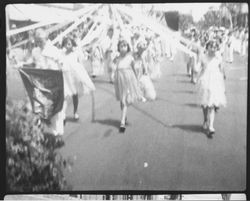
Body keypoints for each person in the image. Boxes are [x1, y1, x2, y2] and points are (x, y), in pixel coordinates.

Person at [61, 37, 96, 121]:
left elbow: (80, 65)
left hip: (74, 77)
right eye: (65, 43)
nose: (67, 45)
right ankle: (63, 114)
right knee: (65, 95)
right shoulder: (62, 54)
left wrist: (82, 77)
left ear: (72, 44)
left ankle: (75, 112)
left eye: (69, 43)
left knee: (74, 95)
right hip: (65, 76)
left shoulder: (75, 53)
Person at [197, 40, 226, 137]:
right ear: (207, 47)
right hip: (205, 81)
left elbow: (221, 70)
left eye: (215, 47)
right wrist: (201, 67)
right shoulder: (203, 58)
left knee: (212, 105)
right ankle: (205, 119)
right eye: (211, 46)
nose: (213, 49)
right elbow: (198, 68)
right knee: (205, 104)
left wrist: (222, 82)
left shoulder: (218, 58)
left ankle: (211, 126)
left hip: (215, 83)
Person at [113, 39, 143, 133]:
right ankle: (124, 116)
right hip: (120, 80)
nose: (123, 48)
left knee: (125, 100)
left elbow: (134, 69)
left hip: (128, 80)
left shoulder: (130, 58)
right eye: (121, 46)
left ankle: (122, 122)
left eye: (125, 46)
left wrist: (136, 80)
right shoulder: (117, 59)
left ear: (128, 47)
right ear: (118, 47)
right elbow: (113, 67)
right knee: (122, 100)